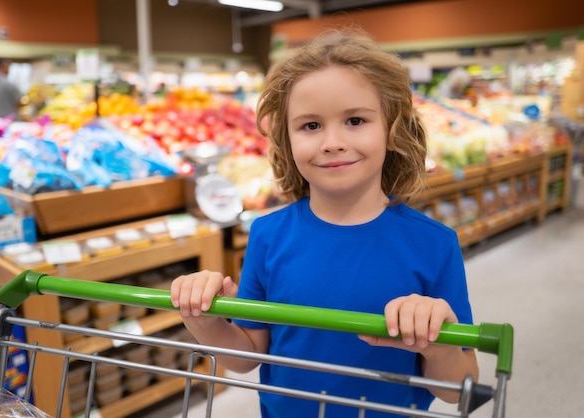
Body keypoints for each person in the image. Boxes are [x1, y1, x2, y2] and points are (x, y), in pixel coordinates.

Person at [170, 29, 479, 418]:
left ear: (393, 130)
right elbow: (247, 354)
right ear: (286, 138)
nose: (332, 142)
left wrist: (439, 346)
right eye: (310, 126)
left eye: (355, 120)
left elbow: (458, 390)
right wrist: (205, 319)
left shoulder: (434, 244)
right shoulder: (268, 236)